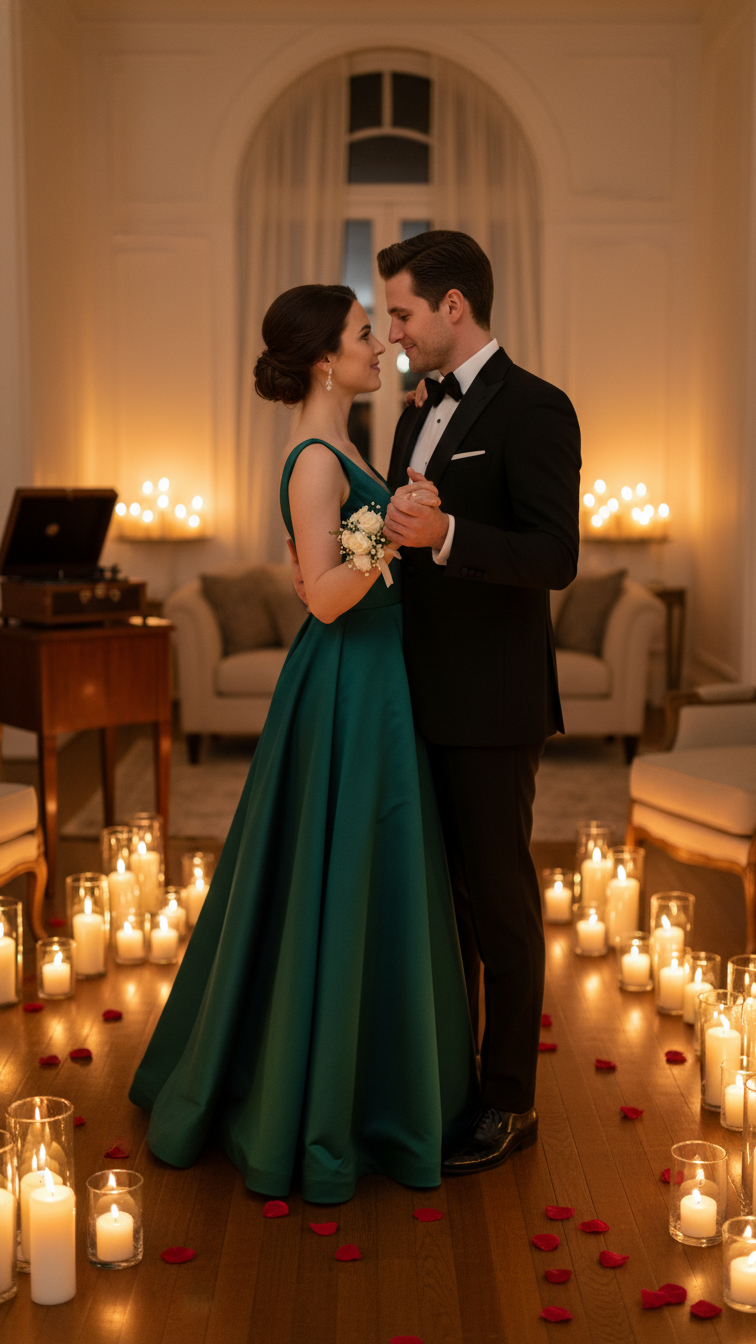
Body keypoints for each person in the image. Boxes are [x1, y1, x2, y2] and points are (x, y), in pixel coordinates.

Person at [129, 283, 479, 1204]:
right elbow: (323, 594)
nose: (382, 348)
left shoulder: (339, 447)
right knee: (340, 865)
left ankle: (359, 1076)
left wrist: (390, 506)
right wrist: (392, 538)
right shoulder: (316, 458)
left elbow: (315, 575)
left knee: (362, 867)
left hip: (370, 679)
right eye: (368, 335)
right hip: (346, 683)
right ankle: (323, 1101)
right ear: (327, 358)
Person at [377, 231, 581, 1173]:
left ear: (454, 307)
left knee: (499, 904)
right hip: (411, 693)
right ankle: (450, 1082)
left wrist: (451, 531)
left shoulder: (540, 408)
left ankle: (510, 1103)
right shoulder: (412, 409)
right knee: (441, 900)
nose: (395, 333)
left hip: (493, 703)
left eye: (404, 314)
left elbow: (554, 556)